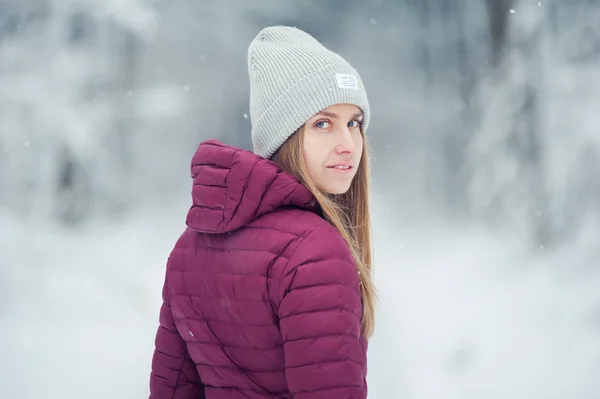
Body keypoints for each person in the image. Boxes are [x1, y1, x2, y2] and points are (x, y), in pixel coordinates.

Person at [148, 25, 377, 399]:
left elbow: (171, 390)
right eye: (323, 124)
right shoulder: (316, 250)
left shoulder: (190, 245)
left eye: (354, 123)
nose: (349, 145)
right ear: (283, 136)